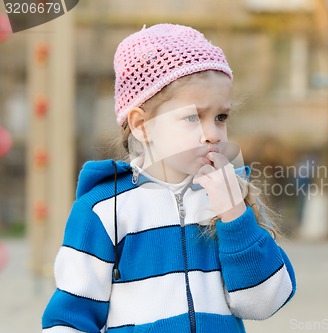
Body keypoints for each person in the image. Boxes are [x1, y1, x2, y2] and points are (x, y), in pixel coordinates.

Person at [41, 24, 296, 333]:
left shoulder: (226, 199)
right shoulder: (103, 210)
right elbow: (70, 319)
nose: (213, 133)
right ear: (142, 125)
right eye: (193, 117)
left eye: (221, 117)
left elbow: (263, 303)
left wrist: (235, 218)